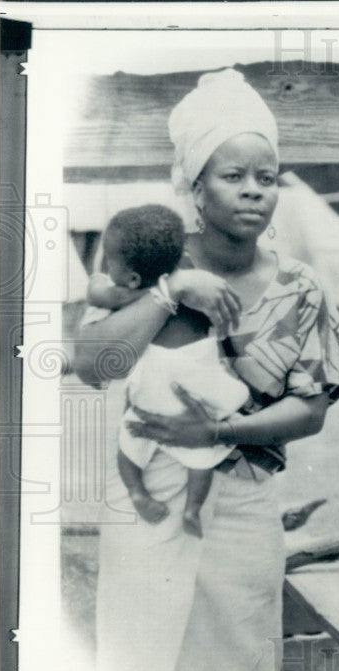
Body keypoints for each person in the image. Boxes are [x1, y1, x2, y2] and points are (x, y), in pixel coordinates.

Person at [73, 69, 339, 671]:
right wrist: (173, 292)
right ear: (195, 187)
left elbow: (310, 410)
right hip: (148, 495)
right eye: (232, 177)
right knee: (140, 664)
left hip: (242, 505)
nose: (253, 191)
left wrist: (219, 432)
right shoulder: (152, 261)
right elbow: (94, 362)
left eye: (265, 177)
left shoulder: (298, 287)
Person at [88, 204, 250, 538]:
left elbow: (98, 293)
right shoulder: (198, 284)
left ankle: (136, 491)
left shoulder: (132, 293)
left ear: (132, 276)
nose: (106, 266)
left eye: (108, 259)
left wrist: (97, 283)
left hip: (154, 390)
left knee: (128, 447)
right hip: (196, 387)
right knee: (201, 459)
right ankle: (192, 508)